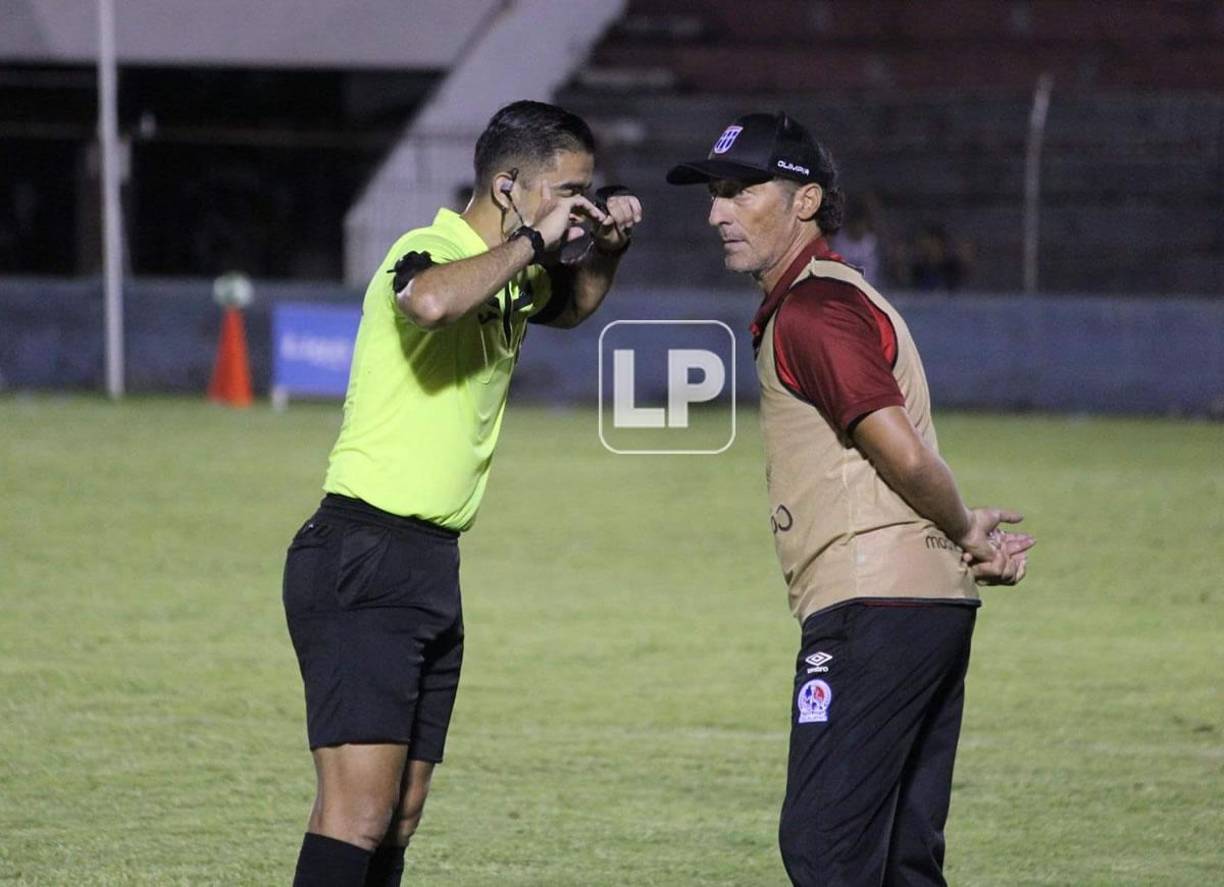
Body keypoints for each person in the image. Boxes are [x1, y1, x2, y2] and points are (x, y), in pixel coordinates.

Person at [666, 112, 1033, 886]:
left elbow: (900, 449)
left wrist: (967, 524)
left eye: (738, 191)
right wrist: (964, 540)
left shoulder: (814, 310)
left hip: (872, 608)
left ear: (804, 201)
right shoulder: (830, 296)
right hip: (924, 606)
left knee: (826, 846)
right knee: (901, 859)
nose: (716, 213)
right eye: (714, 194)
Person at [282, 100, 642, 887]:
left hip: (428, 563)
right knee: (356, 811)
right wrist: (533, 243)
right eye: (568, 190)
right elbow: (430, 301)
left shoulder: (514, 273)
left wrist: (605, 251)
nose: (579, 206)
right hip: (363, 553)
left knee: (400, 812)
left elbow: (574, 305)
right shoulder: (429, 249)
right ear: (510, 187)